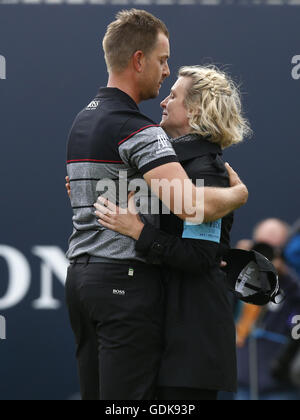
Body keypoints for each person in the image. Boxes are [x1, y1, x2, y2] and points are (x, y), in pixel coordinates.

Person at [65, 9, 248, 401]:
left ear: (196, 111)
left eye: (175, 96)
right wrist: (238, 196)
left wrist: (139, 230)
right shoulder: (145, 138)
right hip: (144, 309)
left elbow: (200, 256)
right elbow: (183, 203)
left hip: (190, 343)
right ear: (138, 60)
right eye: (163, 62)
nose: (165, 94)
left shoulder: (206, 168)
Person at [236, 218, 300, 400]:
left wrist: (286, 276)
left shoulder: (292, 278)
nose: (266, 258)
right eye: (261, 248)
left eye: (272, 250)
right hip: (243, 380)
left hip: (280, 385)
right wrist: (236, 262)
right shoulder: (244, 278)